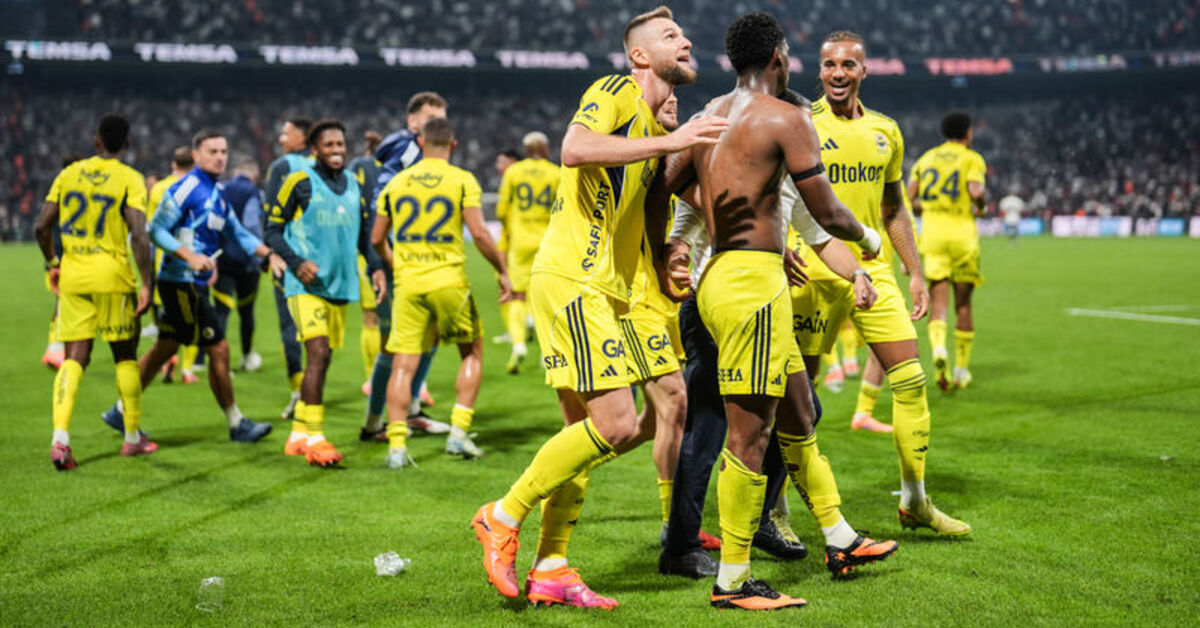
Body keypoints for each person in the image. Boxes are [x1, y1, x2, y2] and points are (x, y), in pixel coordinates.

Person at [470, 5, 729, 610]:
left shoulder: (648, 132)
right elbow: (574, 147)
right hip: (572, 279)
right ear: (639, 55)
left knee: (585, 432)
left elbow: (653, 206)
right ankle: (501, 514)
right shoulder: (614, 91)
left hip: (606, 289)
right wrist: (674, 139)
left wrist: (665, 258)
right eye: (670, 35)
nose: (686, 41)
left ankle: (552, 565)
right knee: (614, 424)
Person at [652, 14, 895, 607]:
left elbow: (664, 183)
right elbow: (828, 212)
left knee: (800, 412)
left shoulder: (711, 113)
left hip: (722, 277)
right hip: (752, 286)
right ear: (779, 57)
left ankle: (840, 538)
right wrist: (870, 238)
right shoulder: (788, 118)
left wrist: (692, 232)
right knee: (749, 436)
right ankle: (733, 581)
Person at [793, 30, 971, 536]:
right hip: (812, 270)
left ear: (864, 71)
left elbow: (894, 209)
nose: (838, 73)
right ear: (819, 70)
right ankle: (778, 511)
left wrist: (915, 272)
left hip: (873, 271)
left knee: (911, 380)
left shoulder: (885, 131)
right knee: (796, 398)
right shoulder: (801, 123)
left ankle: (914, 500)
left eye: (848, 64)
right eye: (829, 64)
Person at [102, 130, 283, 443]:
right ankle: (236, 423)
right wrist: (190, 256)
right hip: (181, 282)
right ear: (196, 155)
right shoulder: (186, 189)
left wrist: (269, 255)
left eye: (223, 151)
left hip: (191, 283)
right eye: (212, 151)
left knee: (165, 348)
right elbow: (155, 230)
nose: (220, 157)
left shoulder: (217, 193)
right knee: (219, 348)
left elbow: (238, 233)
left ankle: (121, 409)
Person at [372, 117, 511, 467]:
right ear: (453, 145)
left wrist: (396, 263)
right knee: (472, 352)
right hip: (449, 282)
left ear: (420, 143)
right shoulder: (462, 179)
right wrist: (502, 270)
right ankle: (458, 434)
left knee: (403, 365)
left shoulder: (397, 182)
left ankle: (396, 448)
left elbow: (376, 238)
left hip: (409, 285)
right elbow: (480, 233)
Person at [34, 114, 155, 469]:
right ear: (126, 144)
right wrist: (147, 283)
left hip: (74, 276)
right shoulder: (130, 178)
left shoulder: (69, 174)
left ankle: (60, 439)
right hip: (113, 278)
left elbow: (41, 227)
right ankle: (131, 438)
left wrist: (53, 262)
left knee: (74, 357)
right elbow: (139, 235)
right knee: (125, 357)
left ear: (97, 140)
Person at [266, 119, 386, 468]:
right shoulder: (298, 181)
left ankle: (298, 432)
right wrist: (296, 262)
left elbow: (364, 237)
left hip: (339, 286)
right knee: (317, 352)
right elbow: (272, 231)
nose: (337, 150)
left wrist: (376, 267)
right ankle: (316, 438)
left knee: (323, 359)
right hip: (304, 286)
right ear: (315, 149)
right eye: (329, 145)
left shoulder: (353, 185)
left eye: (340, 144)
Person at [359, 92, 453, 442]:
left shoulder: (421, 152)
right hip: (397, 264)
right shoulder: (407, 151)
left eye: (442, 119)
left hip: (422, 263)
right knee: (393, 343)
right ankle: (373, 423)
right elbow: (378, 208)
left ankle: (411, 410)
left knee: (432, 334)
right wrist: (381, 263)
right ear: (413, 121)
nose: (437, 125)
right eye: (431, 119)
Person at [910, 112, 987, 391]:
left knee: (938, 301)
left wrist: (929, 208)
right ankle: (961, 371)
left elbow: (908, 197)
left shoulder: (926, 159)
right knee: (963, 304)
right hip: (962, 237)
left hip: (933, 237)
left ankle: (939, 348)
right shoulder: (972, 158)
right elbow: (976, 191)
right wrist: (981, 207)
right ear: (967, 133)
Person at [494, 132, 558, 374]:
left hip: (520, 241)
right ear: (545, 149)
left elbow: (501, 210)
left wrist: (510, 229)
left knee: (517, 296)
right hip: (547, 241)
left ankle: (519, 344)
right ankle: (546, 352)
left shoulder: (514, 172)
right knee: (546, 297)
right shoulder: (556, 173)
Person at [263, 117, 313, 418]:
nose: (282, 139)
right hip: (322, 260)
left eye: (286, 134)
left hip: (289, 258)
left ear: (303, 137)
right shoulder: (323, 167)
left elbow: (271, 215)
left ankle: (299, 394)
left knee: (290, 326)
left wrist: (271, 254)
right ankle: (313, 390)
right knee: (320, 331)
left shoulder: (283, 166)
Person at [144, 146, 194, 382]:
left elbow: (151, 228)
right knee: (193, 314)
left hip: (163, 261)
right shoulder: (196, 187)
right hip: (192, 259)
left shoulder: (158, 189)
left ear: (173, 164)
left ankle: (167, 358)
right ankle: (188, 369)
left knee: (165, 314)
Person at [214, 158, 266, 373]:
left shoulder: (220, 189)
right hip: (246, 262)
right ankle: (246, 356)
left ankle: (217, 362)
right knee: (246, 311)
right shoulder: (254, 192)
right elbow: (251, 224)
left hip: (222, 259)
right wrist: (259, 254)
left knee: (221, 310)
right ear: (254, 175)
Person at [348, 130, 384, 394]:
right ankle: (417, 383)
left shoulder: (357, 167)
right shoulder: (395, 169)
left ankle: (372, 377)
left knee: (370, 318)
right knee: (400, 318)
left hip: (367, 247)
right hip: (396, 247)